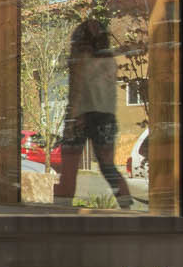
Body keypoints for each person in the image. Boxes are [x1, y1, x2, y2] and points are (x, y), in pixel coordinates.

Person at [53, 15, 137, 210]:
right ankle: (127, 209)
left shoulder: (81, 59)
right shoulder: (110, 62)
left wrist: (72, 118)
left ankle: (61, 213)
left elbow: (77, 89)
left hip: (81, 115)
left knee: (69, 168)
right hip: (106, 117)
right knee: (108, 167)